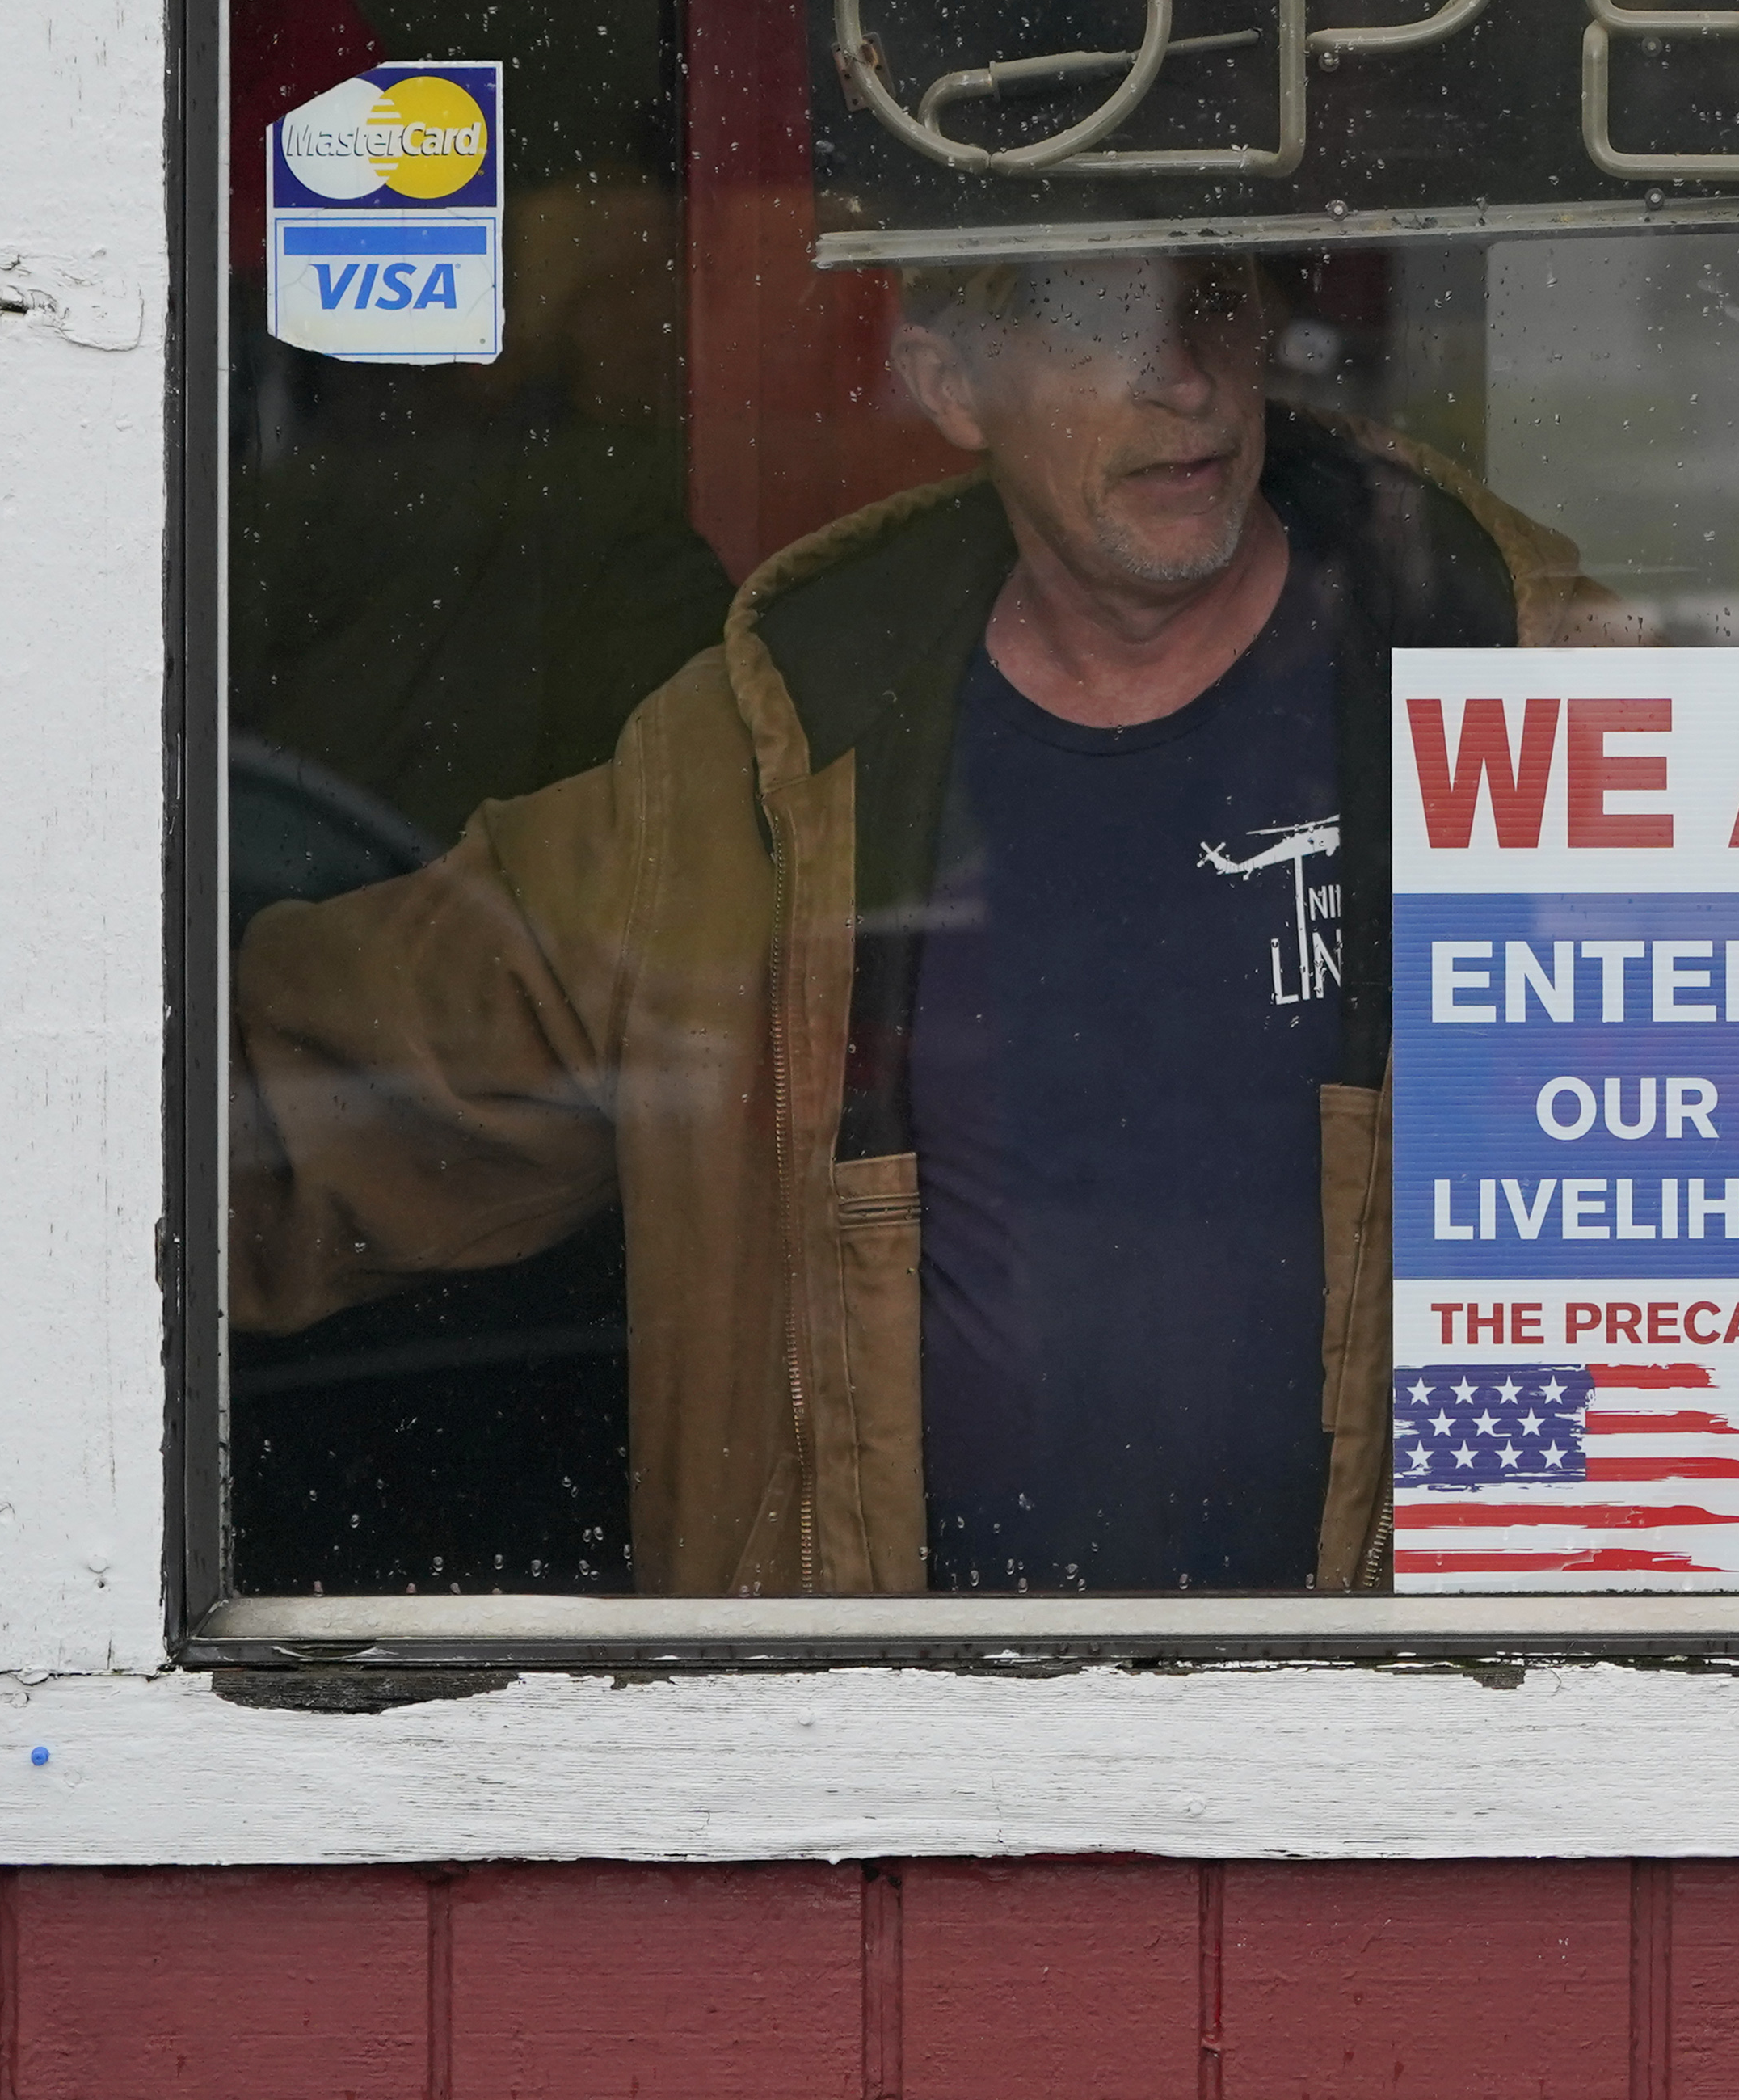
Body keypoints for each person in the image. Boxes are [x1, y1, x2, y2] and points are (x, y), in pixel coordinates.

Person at [229, 255, 1612, 1596]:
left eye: (1213, 308)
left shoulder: (1537, 692)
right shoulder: (756, 771)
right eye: (1091, 321)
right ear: (947, 385)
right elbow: (284, 1118)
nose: (1180, 380)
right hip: (898, 1773)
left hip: (1420, 1766)